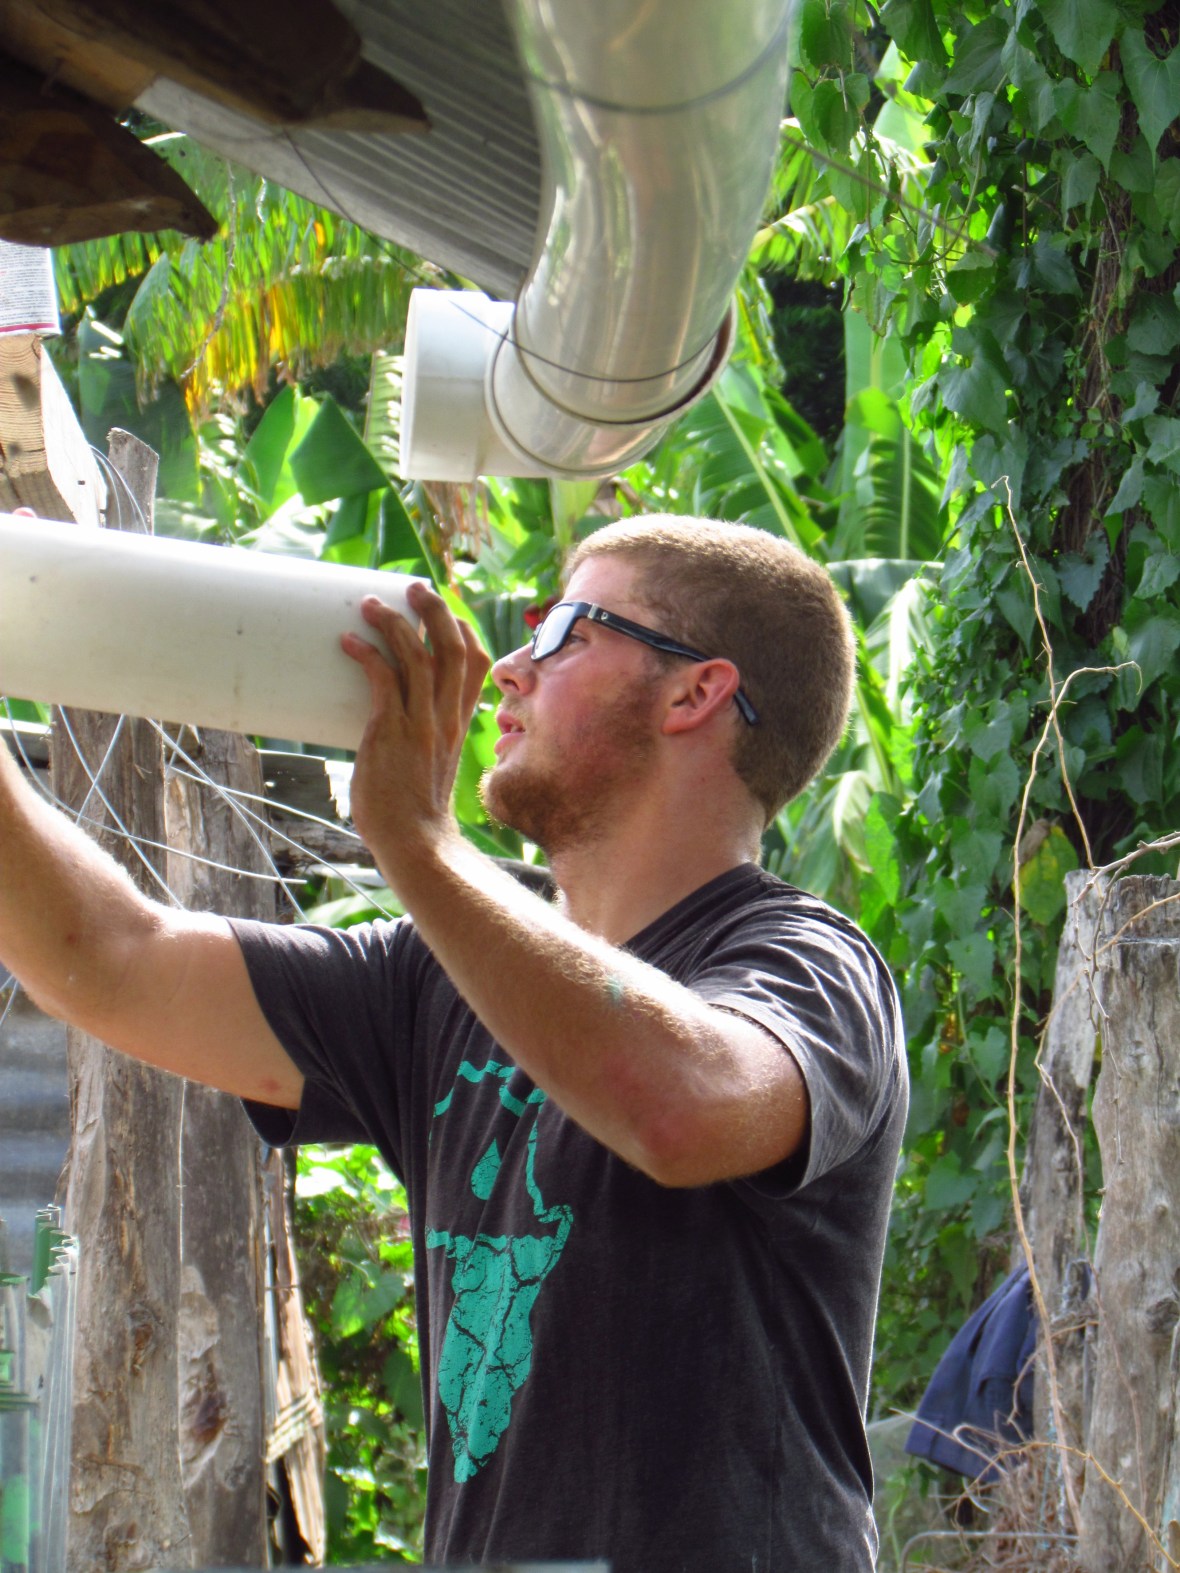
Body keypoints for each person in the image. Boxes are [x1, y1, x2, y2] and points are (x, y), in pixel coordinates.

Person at [0, 513, 907, 1571]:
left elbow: (681, 1103)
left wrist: (420, 844)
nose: (511, 669)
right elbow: (106, 959)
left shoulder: (811, 964)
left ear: (693, 692)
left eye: (565, 627)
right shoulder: (432, 977)